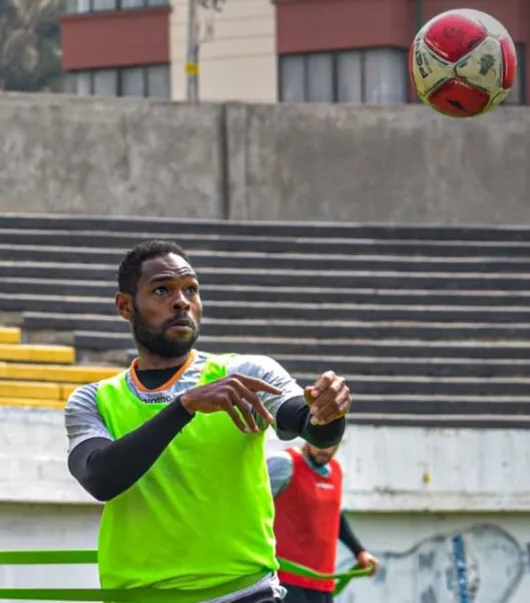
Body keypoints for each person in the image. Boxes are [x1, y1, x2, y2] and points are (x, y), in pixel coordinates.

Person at [64, 240, 354, 603]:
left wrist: (329, 412)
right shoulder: (93, 399)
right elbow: (100, 479)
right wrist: (183, 407)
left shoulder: (246, 372)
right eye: (162, 290)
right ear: (125, 306)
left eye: (191, 290)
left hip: (244, 594)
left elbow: (308, 423)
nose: (182, 301)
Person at [267, 443, 379, 603]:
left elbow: (336, 517)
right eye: (321, 442)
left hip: (323, 585)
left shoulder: (335, 470)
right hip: (286, 581)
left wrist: (359, 552)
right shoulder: (285, 464)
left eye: (332, 443)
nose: (326, 449)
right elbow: (252, 510)